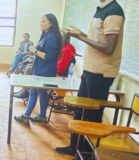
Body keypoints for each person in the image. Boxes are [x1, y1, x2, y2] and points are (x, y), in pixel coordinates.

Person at [56, 0, 125, 156]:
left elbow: (108, 48)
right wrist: (80, 34)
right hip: (90, 69)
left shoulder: (114, 11)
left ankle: (87, 155)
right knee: (79, 111)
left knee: (92, 116)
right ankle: (75, 148)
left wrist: (79, 37)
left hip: (100, 73)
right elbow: (99, 41)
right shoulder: (102, 9)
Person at [14, 14, 63, 124]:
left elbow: (49, 57)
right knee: (41, 94)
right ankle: (41, 116)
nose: (41, 23)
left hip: (44, 72)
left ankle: (26, 116)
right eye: (40, 21)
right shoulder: (45, 35)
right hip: (40, 70)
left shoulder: (51, 37)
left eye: (44, 21)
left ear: (51, 24)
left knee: (34, 93)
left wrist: (35, 51)